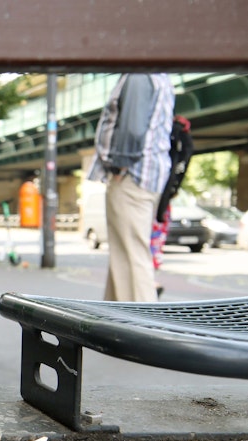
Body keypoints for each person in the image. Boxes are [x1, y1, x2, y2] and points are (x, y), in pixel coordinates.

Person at [87, 73, 175, 302]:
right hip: (145, 175)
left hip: (131, 176)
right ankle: (112, 326)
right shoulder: (160, 76)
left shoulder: (139, 75)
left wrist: (118, 166)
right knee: (124, 257)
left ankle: (145, 330)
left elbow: (133, 129)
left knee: (131, 257)